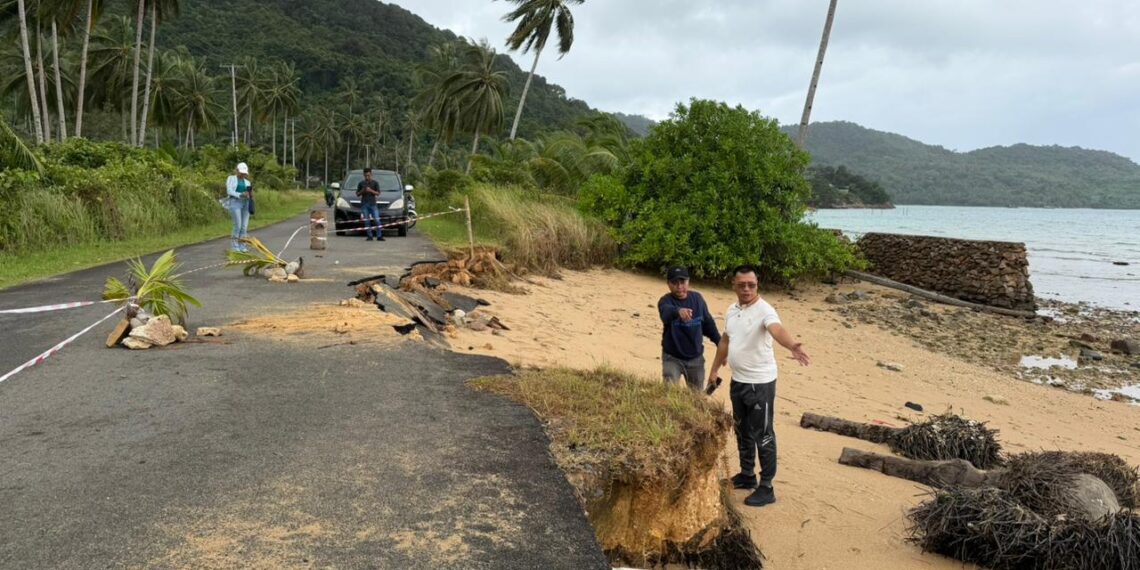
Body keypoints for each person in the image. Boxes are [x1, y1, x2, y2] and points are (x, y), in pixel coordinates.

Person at [708, 265, 810, 507]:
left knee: (763, 434)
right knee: (742, 430)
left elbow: (776, 329)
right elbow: (725, 341)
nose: (746, 289)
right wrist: (714, 369)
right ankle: (747, 475)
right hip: (738, 381)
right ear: (734, 285)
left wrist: (791, 345)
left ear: (757, 285)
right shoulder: (732, 310)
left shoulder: (765, 310)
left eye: (751, 285)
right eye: (741, 285)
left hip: (760, 384)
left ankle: (767, 486)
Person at [658, 267, 721, 391]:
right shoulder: (665, 301)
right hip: (672, 358)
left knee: (696, 397)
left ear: (688, 281)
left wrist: (720, 343)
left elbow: (708, 324)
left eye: (682, 282)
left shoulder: (697, 299)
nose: (679, 286)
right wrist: (678, 312)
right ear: (668, 284)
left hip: (695, 359)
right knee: (669, 392)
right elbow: (665, 314)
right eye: (675, 283)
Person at [225, 162, 252, 252]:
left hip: (246, 203)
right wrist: (240, 194)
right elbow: (229, 191)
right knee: (238, 225)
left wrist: (249, 195)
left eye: (244, 173)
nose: (243, 174)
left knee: (244, 226)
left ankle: (242, 245)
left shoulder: (247, 182)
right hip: (235, 202)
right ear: (237, 170)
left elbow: (249, 192)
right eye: (241, 172)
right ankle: (235, 246)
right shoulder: (231, 178)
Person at [356, 168, 384, 241]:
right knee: (367, 221)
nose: (367, 177)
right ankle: (369, 236)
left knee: (377, 220)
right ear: (363, 175)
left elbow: (378, 193)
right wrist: (363, 190)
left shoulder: (375, 183)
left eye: (368, 175)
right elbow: (357, 194)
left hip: (373, 204)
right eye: (365, 176)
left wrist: (370, 190)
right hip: (364, 204)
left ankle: (379, 236)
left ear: (371, 175)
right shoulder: (361, 183)